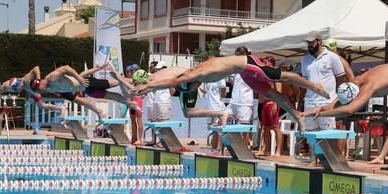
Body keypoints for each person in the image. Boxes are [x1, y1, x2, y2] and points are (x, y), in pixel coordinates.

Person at [135, 53, 329, 133]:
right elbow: (168, 75)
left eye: (191, 87)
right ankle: (298, 116)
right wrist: (148, 84)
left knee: (279, 77)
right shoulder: (190, 75)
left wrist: (149, 88)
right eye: (192, 90)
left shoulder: (200, 73)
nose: (194, 90)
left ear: (190, 83)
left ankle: (314, 86)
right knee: (270, 94)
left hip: (246, 63)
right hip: (240, 72)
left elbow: (173, 80)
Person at [125, 65, 144, 144]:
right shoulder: (131, 80)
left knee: (139, 120)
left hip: (137, 101)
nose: (130, 73)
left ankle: (140, 139)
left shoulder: (140, 80)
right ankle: (134, 138)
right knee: (133, 120)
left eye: (131, 71)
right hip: (132, 102)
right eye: (129, 72)